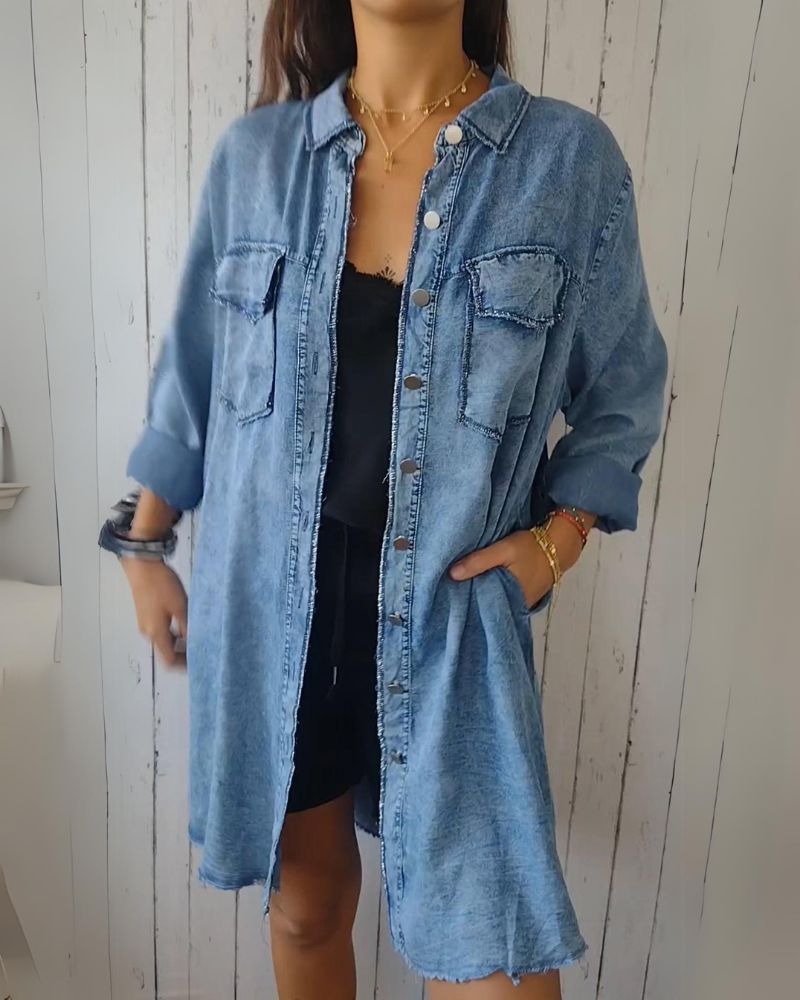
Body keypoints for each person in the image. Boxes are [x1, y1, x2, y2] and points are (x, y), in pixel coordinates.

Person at [98, 1, 669, 996]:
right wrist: (145, 548)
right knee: (307, 905)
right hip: (275, 613)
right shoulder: (258, 160)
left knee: (489, 954)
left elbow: (623, 388)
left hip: (451, 625)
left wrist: (559, 539)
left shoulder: (564, 164)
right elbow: (193, 375)